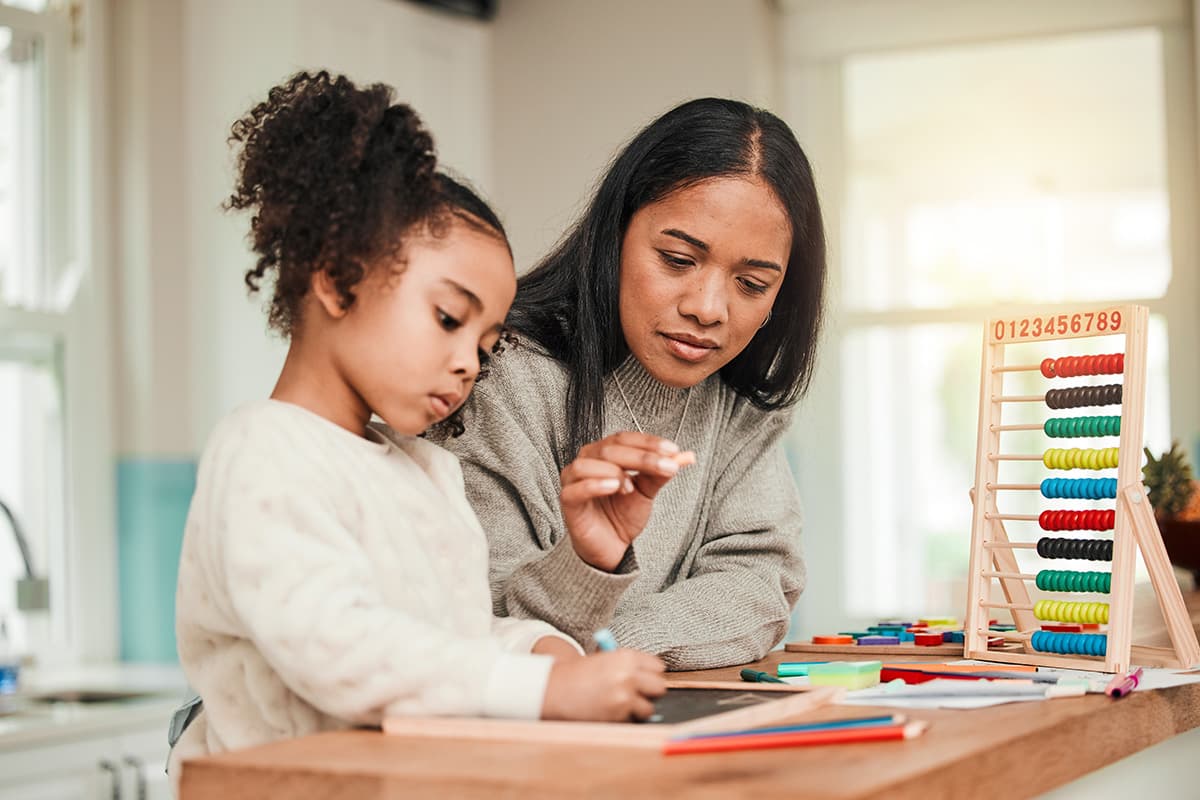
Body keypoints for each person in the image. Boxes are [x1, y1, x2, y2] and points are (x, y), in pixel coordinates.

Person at [167, 71, 667, 788]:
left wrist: (540, 650)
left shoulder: (425, 469)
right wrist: (542, 693)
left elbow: (443, 638)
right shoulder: (264, 453)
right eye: (447, 319)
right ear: (338, 279)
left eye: (487, 346)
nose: (468, 365)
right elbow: (341, 649)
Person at [437, 97, 827, 671]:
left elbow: (760, 585)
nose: (708, 309)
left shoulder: (741, 401)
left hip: (638, 705)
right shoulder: (492, 372)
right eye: (676, 259)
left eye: (751, 283)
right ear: (614, 235)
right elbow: (483, 616)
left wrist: (610, 649)